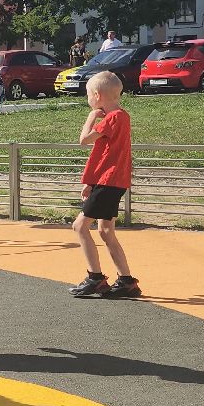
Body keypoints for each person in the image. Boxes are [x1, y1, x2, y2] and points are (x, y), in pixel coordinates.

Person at [70, 71, 140, 299]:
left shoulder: (113, 118)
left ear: (97, 95)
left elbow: (84, 141)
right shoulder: (123, 117)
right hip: (111, 181)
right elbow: (106, 155)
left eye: (88, 95)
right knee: (105, 230)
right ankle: (126, 280)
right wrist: (91, 182)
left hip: (109, 181)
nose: (88, 99)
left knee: (80, 227)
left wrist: (91, 117)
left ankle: (95, 277)